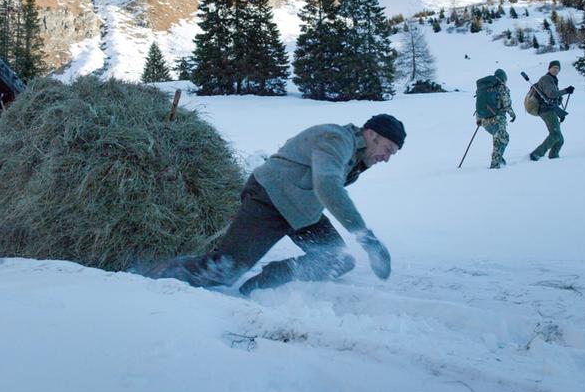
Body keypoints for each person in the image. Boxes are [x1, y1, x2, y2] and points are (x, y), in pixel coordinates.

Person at [145, 114, 404, 295]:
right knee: (223, 270)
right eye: (388, 148)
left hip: (303, 212)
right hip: (270, 199)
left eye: (393, 153)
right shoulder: (336, 139)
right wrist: (365, 238)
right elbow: (327, 185)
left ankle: (268, 280)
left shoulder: (359, 158)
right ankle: (152, 272)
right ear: (371, 134)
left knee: (337, 259)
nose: (387, 158)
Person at [529, 60, 574, 161]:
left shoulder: (553, 80)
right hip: (546, 110)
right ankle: (536, 154)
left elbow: (554, 97)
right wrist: (566, 91)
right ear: (549, 68)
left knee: (560, 140)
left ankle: (554, 158)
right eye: (553, 67)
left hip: (551, 109)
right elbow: (551, 94)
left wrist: (560, 113)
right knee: (555, 134)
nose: (556, 70)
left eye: (557, 68)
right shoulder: (546, 78)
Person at [474, 69, 516, 168]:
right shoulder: (501, 87)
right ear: (504, 78)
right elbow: (506, 103)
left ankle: (499, 159)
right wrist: (512, 114)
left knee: (500, 138)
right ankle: (495, 166)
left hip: (485, 121)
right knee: (502, 140)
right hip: (497, 118)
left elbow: (479, 104)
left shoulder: (484, 88)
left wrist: (479, 119)